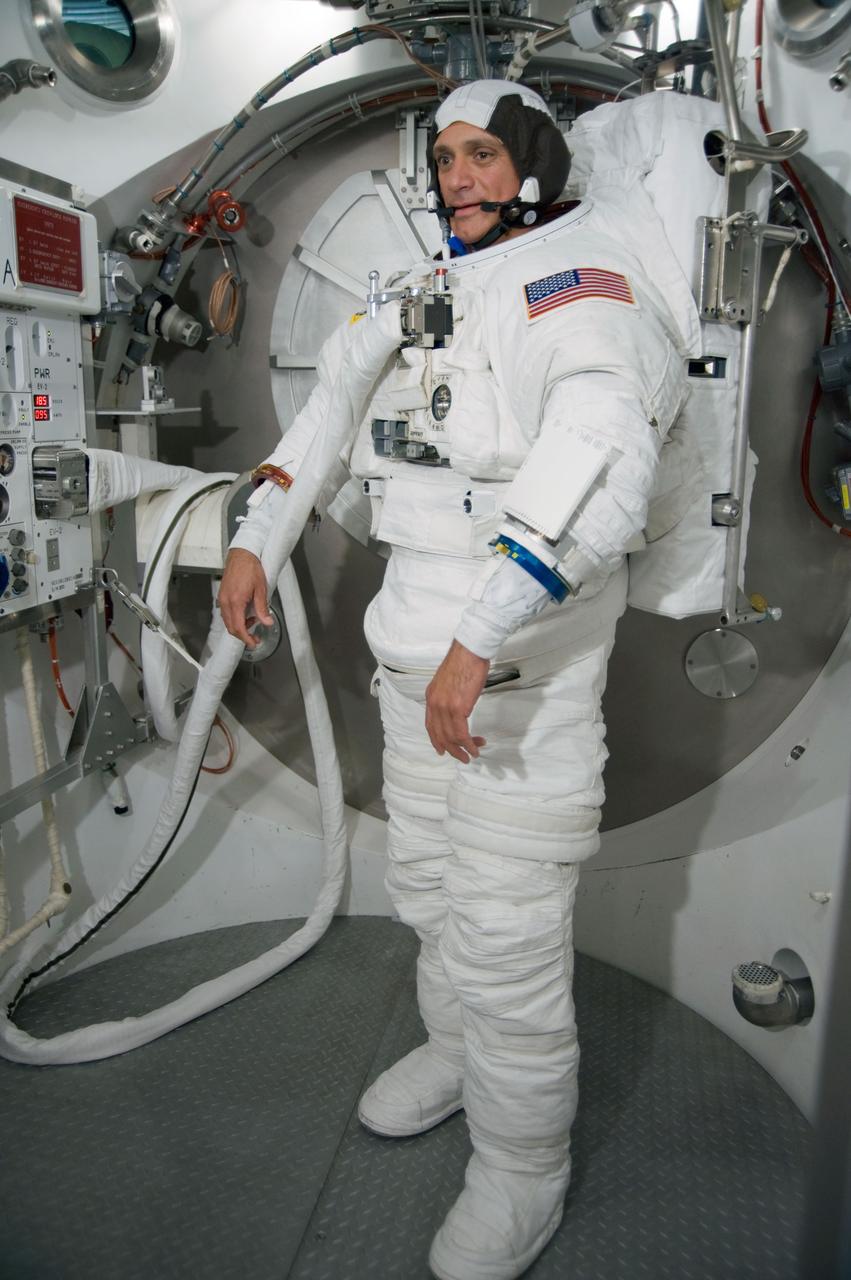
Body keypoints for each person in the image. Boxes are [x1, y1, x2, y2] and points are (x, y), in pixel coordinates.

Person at [219, 80, 687, 1280]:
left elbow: (599, 466)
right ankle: (450, 1049)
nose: (457, 177)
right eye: (445, 159)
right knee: (428, 890)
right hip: (409, 665)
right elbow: (327, 412)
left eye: (482, 155)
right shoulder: (422, 285)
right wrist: (251, 542)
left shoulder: (577, 288)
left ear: (529, 161)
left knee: (508, 939)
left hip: (517, 685)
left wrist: (481, 638)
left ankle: (521, 1166)